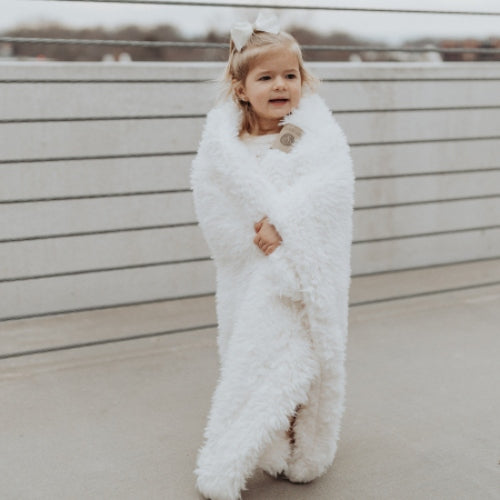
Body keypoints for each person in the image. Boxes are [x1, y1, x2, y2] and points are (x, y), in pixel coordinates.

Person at [190, 11, 355, 500]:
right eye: (266, 77)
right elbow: (214, 201)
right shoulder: (224, 146)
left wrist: (284, 225)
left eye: (291, 75)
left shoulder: (316, 136)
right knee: (255, 358)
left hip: (301, 275)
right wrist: (253, 232)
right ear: (242, 88)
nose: (280, 85)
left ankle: (294, 443)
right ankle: (261, 441)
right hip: (252, 275)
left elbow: (333, 189)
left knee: (298, 358)